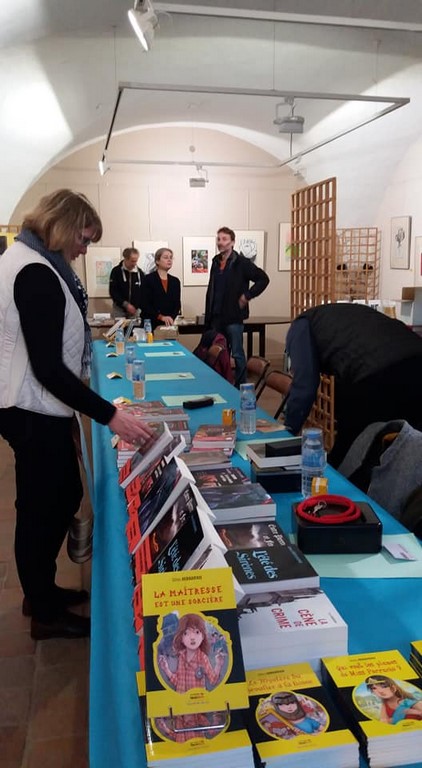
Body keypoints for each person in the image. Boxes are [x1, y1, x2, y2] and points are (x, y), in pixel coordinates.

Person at [0, 189, 153, 641]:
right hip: (30, 407)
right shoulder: (36, 273)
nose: (86, 248)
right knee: (43, 506)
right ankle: (44, 612)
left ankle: (40, 590)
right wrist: (110, 415)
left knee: (54, 496)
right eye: (85, 238)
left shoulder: (31, 260)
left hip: (30, 405)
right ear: (64, 225)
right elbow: (48, 367)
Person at [284, 303, 422, 468]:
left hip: (376, 372)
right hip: (415, 359)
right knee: (412, 450)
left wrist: (286, 433)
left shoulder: (299, 327)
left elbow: (304, 387)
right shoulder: (338, 317)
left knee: (349, 457)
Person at [204, 227, 269, 386]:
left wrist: (247, 296)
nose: (220, 242)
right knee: (218, 352)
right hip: (216, 317)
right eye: (218, 239)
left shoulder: (242, 263)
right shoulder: (215, 261)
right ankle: (221, 383)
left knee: (238, 354)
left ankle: (240, 387)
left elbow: (263, 279)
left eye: (224, 239)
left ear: (232, 242)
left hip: (233, 317)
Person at [141, 247, 181, 329]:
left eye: (171, 257)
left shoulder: (175, 281)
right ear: (157, 261)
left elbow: (177, 304)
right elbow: (144, 303)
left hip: (169, 324)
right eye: (166, 257)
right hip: (151, 323)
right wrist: (161, 317)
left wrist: (171, 318)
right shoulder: (148, 279)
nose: (169, 260)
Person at [109, 246, 144, 318]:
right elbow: (113, 291)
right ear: (125, 259)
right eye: (132, 261)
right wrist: (126, 305)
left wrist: (137, 306)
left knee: (135, 328)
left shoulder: (140, 273)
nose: (134, 264)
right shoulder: (116, 271)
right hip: (119, 309)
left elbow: (144, 291)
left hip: (135, 310)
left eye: (136, 261)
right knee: (119, 328)